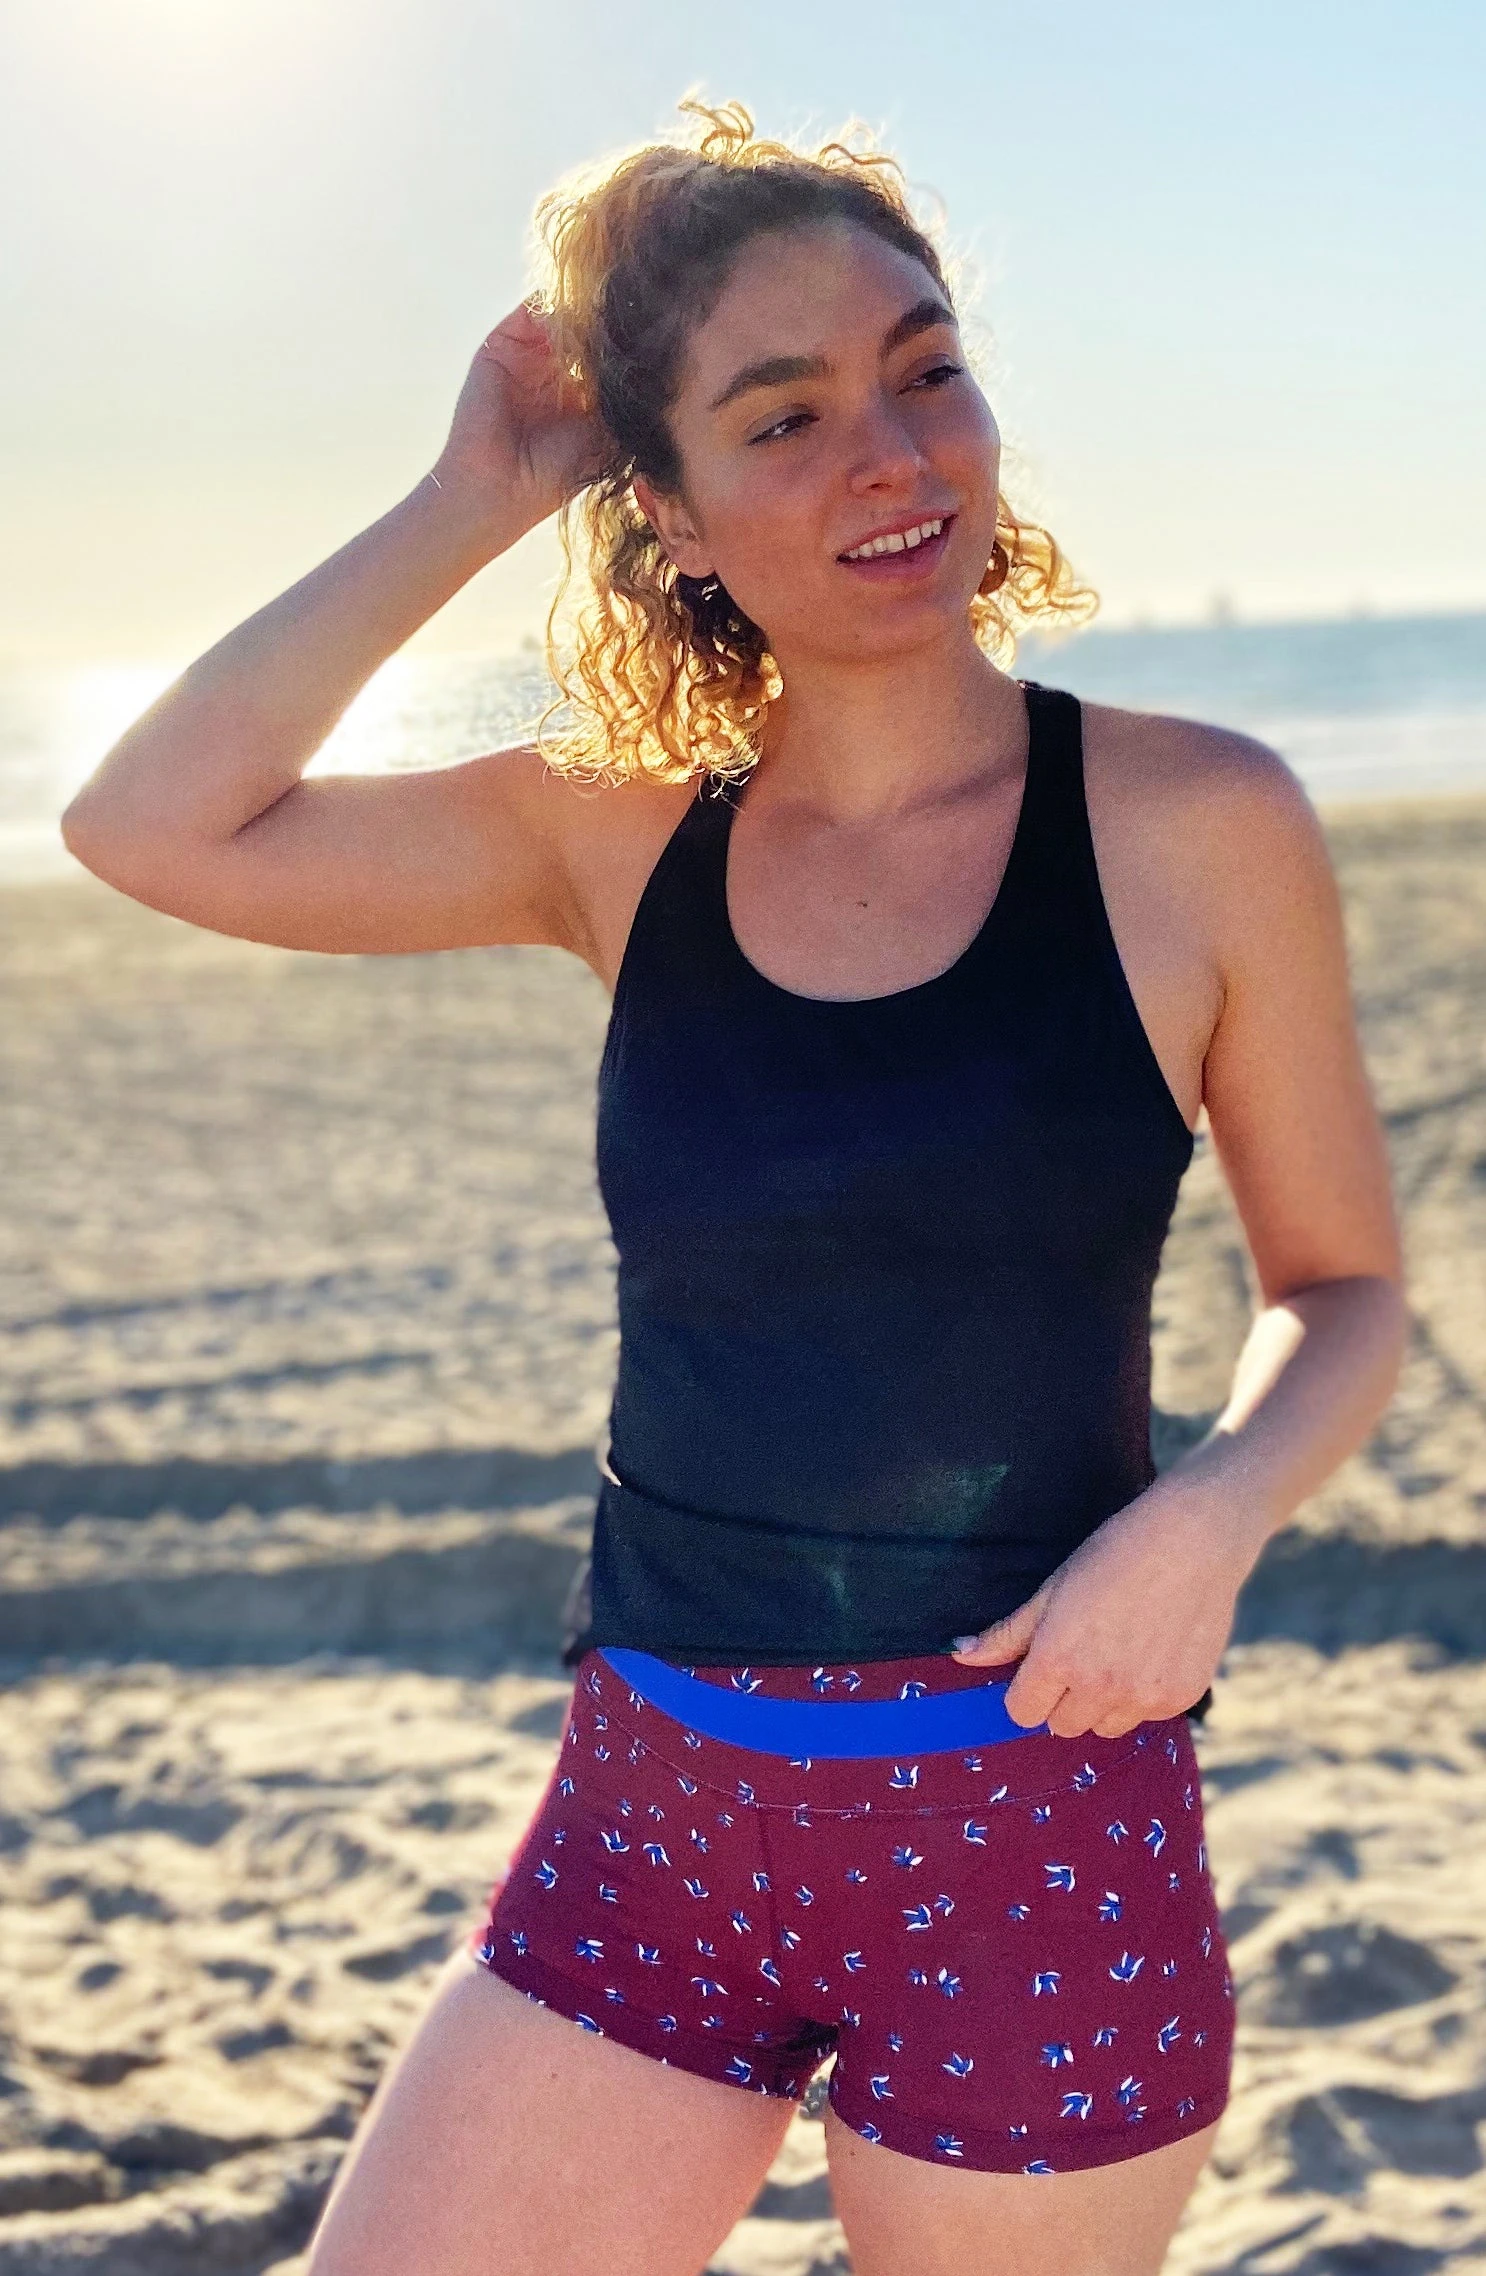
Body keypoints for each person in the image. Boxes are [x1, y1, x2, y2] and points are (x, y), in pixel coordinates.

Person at [62, 94, 1405, 2276]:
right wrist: (472, 492)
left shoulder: (1194, 824)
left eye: (922, 370)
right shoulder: (612, 832)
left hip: (1035, 1823)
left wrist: (1208, 1516)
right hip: (653, 1822)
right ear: (664, 512)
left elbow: (1339, 1284)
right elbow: (148, 824)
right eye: (781, 418)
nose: (889, 455)